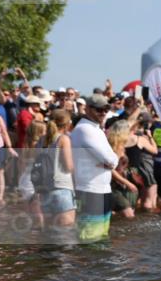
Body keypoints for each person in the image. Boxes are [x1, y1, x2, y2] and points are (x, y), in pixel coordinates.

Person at [70, 93, 119, 242]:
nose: (103, 113)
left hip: (102, 189)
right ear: (88, 109)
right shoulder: (85, 129)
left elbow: (113, 160)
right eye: (99, 109)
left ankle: (97, 265)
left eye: (106, 109)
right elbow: (110, 159)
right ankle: (85, 265)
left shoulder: (96, 129)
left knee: (101, 237)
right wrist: (110, 162)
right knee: (89, 239)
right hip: (89, 190)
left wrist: (111, 161)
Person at [34, 109, 76, 228]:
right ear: (67, 124)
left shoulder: (41, 140)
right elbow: (68, 166)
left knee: (49, 234)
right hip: (62, 188)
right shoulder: (63, 139)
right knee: (66, 234)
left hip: (44, 191)